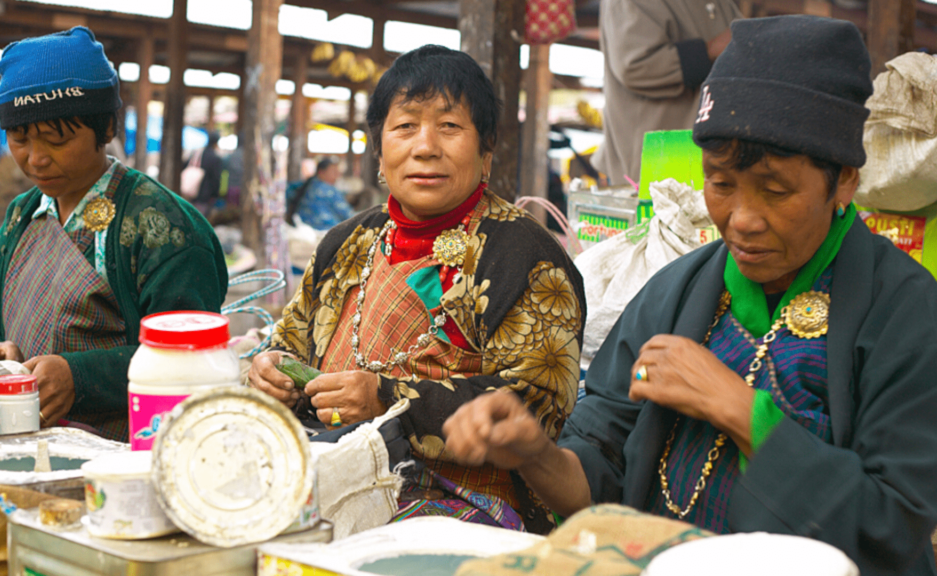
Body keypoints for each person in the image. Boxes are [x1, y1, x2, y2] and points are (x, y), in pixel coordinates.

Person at [443, 16, 937, 575]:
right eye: (721, 184)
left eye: (775, 190)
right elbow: (599, 483)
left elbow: (894, 525)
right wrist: (536, 455)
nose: (742, 220)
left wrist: (739, 409)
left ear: (844, 179)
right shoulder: (673, 295)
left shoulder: (905, 309)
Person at [249, 44, 585, 533]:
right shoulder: (346, 243)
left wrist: (390, 400)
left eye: (450, 126)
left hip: (461, 499)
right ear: (379, 149)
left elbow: (536, 403)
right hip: (327, 468)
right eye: (405, 126)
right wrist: (270, 370)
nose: (425, 146)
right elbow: (289, 341)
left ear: (486, 147)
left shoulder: (525, 256)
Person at [0, 27, 228, 442]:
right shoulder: (23, 214)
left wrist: (80, 377)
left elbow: (192, 359)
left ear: (107, 127)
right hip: (20, 441)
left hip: (126, 454)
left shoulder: (162, 227)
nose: (36, 158)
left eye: (58, 139)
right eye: (19, 139)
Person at [593, 0, 740, 185]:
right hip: (659, 157)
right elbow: (634, 66)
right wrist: (710, 50)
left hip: (707, 156)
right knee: (664, 208)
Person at [284, 157, 354, 230]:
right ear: (321, 172)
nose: (337, 175)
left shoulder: (306, 184)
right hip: (325, 231)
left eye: (338, 172)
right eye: (334, 172)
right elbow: (348, 215)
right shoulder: (329, 190)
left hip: (303, 228)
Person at [194, 130, 223, 217]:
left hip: (194, 192)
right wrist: (215, 194)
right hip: (206, 195)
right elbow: (216, 178)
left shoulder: (198, 154)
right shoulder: (215, 158)